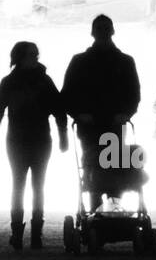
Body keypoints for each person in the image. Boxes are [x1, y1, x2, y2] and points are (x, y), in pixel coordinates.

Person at [0, 41, 68, 249]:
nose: (35, 58)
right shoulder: (44, 81)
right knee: (29, 185)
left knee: (26, 185)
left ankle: (21, 234)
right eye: (32, 55)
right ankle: (33, 235)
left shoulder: (10, 82)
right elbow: (58, 110)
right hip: (33, 140)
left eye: (36, 54)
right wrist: (62, 135)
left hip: (22, 140)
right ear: (21, 57)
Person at [60, 15, 141, 211]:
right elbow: (134, 94)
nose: (103, 32)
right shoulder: (124, 61)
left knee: (96, 167)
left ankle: (100, 213)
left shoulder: (81, 61)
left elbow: (67, 95)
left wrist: (79, 115)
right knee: (108, 167)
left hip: (98, 124)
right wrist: (125, 114)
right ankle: (108, 210)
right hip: (103, 124)